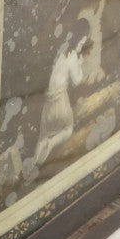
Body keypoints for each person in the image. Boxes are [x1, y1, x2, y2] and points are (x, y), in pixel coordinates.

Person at [33, 18, 91, 167]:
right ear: (78, 39)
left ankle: (35, 161)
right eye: (81, 44)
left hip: (49, 100)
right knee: (68, 128)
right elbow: (77, 80)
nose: (81, 47)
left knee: (43, 133)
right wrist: (80, 63)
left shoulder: (62, 49)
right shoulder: (73, 57)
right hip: (59, 99)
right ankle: (52, 143)